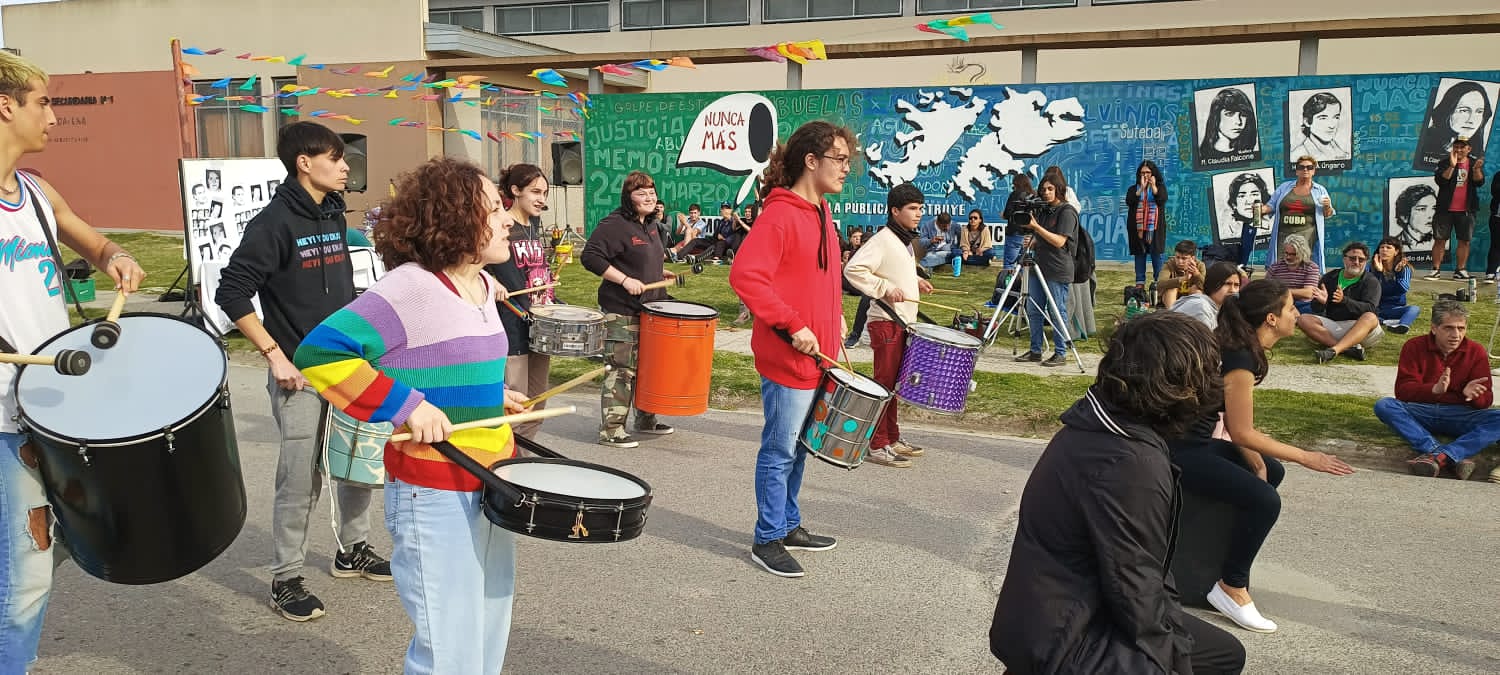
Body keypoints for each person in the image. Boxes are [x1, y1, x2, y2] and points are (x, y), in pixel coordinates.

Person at [295, 157, 530, 674]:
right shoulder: (412, 287)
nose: (507, 219)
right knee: (448, 650)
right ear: (456, 219)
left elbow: (438, 362)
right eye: (494, 209)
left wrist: (491, 397)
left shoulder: (482, 285)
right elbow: (321, 352)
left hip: (491, 480)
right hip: (435, 490)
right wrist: (405, 405)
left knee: (488, 630)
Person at [990, 312, 1245, 675]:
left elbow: (1145, 572)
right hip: (1066, 635)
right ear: (1177, 384)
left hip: (1051, 612)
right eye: (1208, 372)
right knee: (1208, 658)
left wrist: (1170, 627)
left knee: (1223, 651)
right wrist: (1171, 660)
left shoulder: (1099, 421)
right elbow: (1135, 585)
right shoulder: (1129, 462)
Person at [0, 50, 147, 672]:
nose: (54, 118)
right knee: (26, 576)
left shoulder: (35, 192)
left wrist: (116, 257)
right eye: (43, 103)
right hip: (3, 419)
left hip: (53, 406)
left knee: (63, 540)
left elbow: (89, 237)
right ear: (5, 107)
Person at [214, 121, 389, 622]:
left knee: (356, 459)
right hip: (300, 372)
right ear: (304, 163)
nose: (345, 167)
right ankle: (286, 577)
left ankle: (352, 549)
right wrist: (275, 355)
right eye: (335, 158)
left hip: (349, 366)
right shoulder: (273, 223)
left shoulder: (333, 213)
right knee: (299, 478)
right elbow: (231, 292)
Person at [1170, 279, 1355, 634]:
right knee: (1265, 500)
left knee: (1270, 470)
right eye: (1290, 309)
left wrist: (1256, 463)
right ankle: (1231, 586)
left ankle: (1217, 563)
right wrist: (1307, 457)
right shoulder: (1239, 358)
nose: (1296, 315)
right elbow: (1242, 432)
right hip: (1178, 450)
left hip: (1190, 444)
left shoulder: (1239, 348)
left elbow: (1232, 422)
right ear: (1271, 318)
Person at [728, 120, 853, 578]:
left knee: (800, 448)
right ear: (811, 161)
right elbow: (746, 277)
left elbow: (816, 278)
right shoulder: (779, 215)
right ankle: (767, 538)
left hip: (820, 357)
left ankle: (788, 523)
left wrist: (834, 316)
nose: (846, 168)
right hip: (788, 357)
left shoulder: (821, 212)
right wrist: (793, 323)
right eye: (839, 159)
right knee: (780, 451)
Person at [581, 171, 677, 448]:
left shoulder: (651, 225)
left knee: (648, 367)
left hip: (650, 309)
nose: (649, 198)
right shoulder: (615, 225)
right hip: (621, 310)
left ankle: (645, 419)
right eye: (641, 193)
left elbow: (641, 259)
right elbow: (590, 256)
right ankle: (611, 430)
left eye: (652, 193)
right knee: (621, 369)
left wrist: (658, 272)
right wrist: (624, 279)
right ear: (628, 197)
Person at [843, 182, 934, 468]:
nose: (919, 213)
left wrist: (915, 281)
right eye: (912, 208)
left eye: (921, 208)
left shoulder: (903, 239)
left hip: (902, 323)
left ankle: (891, 437)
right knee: (884, 385)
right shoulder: (882, 239)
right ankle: (877, 443)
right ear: (895, 211)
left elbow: (894, 270)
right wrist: (884, 288)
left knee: (894, 385)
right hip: (886, 323)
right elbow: (853, 269)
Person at [1374, 300, 1498, 480]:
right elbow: (1403, 391)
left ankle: (1443, 456)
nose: (1456, 335)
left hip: (1460, 414)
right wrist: (1434, 389)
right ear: (1434, 328)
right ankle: (1441, 453)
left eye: (1461, 328)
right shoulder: (1414, 346)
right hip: (1423, 411)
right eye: (1449, 328)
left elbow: (1485, 402)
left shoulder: (1476, 351)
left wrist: (1473, 395)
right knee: (1385, 405)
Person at [486, 163, 555, 440]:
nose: (541, 199)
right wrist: (489, 280)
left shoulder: (533, 226)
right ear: (515, 190)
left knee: (536, 407)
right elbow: (468, 261)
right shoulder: (501, 225)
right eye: (535, 192)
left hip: (540, 326)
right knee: (514, 409)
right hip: (512, 328)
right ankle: (504, 461)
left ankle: (523, 459)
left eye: (545, 193)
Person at [1013, 172, 1076, 367]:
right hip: (1037, 265)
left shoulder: (1067, 211)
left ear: (1059, 189)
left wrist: (1037, 228)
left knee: (1056, 310)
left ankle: (1060, 352)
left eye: (1050, 189)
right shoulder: (1042, 210)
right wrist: (1032, 241)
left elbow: (1059, 241)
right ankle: (1035, 350)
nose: (1046, 193)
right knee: (1033, 309)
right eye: (1043, 189)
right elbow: (1041, 237)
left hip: (1057, 268)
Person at [1298, 241, 1384, 363]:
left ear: (1366, 262)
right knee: (1303, 319)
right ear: (1344, 259)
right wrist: (1321, 302)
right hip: (1335, 326)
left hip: (1361, 330)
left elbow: (1371, 309)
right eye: (1352, 258)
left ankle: (1334, 350)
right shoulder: (1329, 277)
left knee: (1370, 317)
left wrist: (1344, 300)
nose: (1356, 262)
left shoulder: (1371, 281)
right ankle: (1346, 349)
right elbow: (1316, 309)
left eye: (1361, 260)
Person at [1262, 156, 1336, 273]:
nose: (1305, 170)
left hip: (1306, 239)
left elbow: (1327, 214)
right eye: (1301, 167)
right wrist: (1260, 209)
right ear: (1296, 171)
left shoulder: (1320, 190)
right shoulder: (1284, 187)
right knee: (1280, 270)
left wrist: (1327, 206)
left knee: (1304, 269)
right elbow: (1271, 205)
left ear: (1313, 171)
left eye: (1309, 167)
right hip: (1282, 238)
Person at [1428, 135, 1486, 280]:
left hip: (1467, 210)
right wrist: (1452, 166)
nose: (1458, 150)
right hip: (1444, 210)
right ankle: (1435, 270)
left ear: (1469, 149)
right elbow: (1441, 181)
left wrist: (1476, 170)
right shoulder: (1444, 162)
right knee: (1440, 239)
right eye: (1456, 147)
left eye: (1462, 147)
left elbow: (1479, 182)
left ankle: (1460, 270)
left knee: (1464, 241)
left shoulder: (1473, 163)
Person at [1416, 82, 1493, 168]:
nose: (1471, 120)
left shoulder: (1479, 155)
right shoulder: (1425, 143)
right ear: (1448, 111)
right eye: (1464, 110)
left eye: (1479, 112)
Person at [1127, 160, 1169, 286]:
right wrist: (1141, 189)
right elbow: (1129, 201)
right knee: (1139, 254)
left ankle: (1158, 283)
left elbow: (1161, 200)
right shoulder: (1133, 189)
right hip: (1138, 229)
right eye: (1142, 173)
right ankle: (1140, 283)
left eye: (1148, 172)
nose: (1145, 175)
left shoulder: (1160, 188)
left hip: (1154, 229)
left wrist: (1153, 187)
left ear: (1153, 173)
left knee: (1157, 255)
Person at [1370, 235, 1421, 334]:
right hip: (1375, 308)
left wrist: (1398, 274)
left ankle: (1402, 325)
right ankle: (1385, 322)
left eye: (1388, 247)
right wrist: (1379, 273)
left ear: (1396, 251)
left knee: (1414, 309)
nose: (1384, 250)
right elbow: (1371, 290)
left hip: (1394, 308)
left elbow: (1402, 290)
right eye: (1382, 247)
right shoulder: (1370, 266)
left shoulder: (1404, 268)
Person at [1172, 261, 1243, 329]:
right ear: (1212, 284)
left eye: (1236, 285)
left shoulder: (1223, 310)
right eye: (1227, 284)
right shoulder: (1200, 307)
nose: (1232, 290)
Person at [1264, 233, 1322, 314]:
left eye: (1293, 254)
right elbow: (1265, 288)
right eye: (1286, 253)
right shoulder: (1275, 267)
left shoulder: (1311, 267)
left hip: (1303, 305)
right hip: (1280, 304)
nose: (1288, 257)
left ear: (1303, 253)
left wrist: (1282, 292)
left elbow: (1308, 293)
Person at [1199, 88, 1259, 163]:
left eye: (1243, 115)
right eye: (1230, 114)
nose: (1239, 122)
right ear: (1216, 117)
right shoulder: (1203, 156)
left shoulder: (1249, 152)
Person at [1223, 172, 1269, 268]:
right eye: (1242, 196)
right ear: (1234, 204)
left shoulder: (1270, 225)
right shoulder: (1227, 229)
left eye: (1254, 194)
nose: (1249, 201)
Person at [1289, 92, 1349, 162]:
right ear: (1307, 121)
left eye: (1336, 117)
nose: (1332, 125)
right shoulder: (1297, 155)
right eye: (1323, 118)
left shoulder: (1341, 152)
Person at [1157, 239, 1205, 309]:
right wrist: (1183, 278)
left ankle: (1193, 314)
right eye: (1177, 257)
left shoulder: (1200, 265)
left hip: (1190, 298)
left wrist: (1197, 274)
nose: (1180, 261)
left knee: (1196, 290)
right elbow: (1159, 284)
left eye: (1184, 258)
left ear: (1192, 258)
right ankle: (1173, 314)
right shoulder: (1169, 264)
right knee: (1171, 289)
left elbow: (1207, 288)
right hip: (1172, 298)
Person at [1392, 183, 1437, 253]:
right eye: (1422, 209)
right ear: (1404, 216)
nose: (1431, 215)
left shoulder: (1439, 242)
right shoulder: (1393, 244)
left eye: (1434, 208)